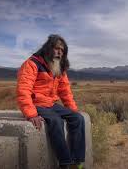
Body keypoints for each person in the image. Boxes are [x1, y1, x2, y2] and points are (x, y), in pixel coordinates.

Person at [16, 34, 85, 169]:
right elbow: (23, 89)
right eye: (56, 48)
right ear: (48, 48)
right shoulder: (32, 63)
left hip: (51, 104)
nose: (59, 52)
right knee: (56, 121)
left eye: (62, 50)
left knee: (78, 118)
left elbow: (65, 91)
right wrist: (31, 114)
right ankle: (65, 163)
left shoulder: (59, 67)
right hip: (36, 104)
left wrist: (72, 109)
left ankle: (77, 163)